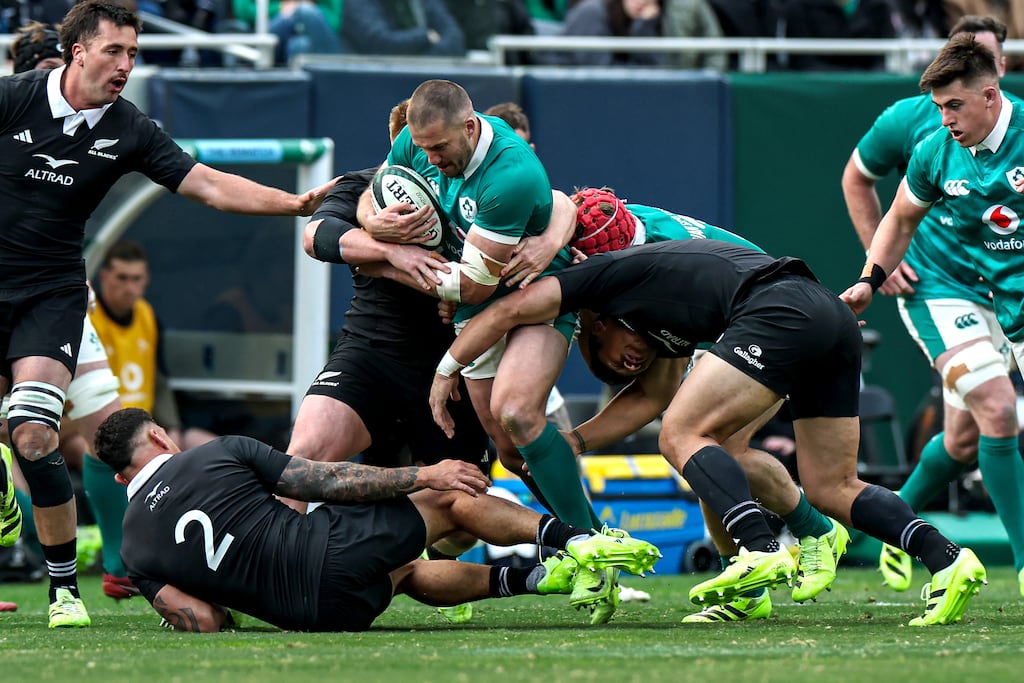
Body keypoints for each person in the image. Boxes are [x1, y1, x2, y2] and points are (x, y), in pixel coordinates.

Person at [435, 239, 989, 627]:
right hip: (827, 315)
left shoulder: (594, 282)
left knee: (680, 435)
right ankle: (948, 559)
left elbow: (507, 311)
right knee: (832, 486)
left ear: (593, 323)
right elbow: (650, 393)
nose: (630, 362)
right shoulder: (659, 311)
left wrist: (446, 371)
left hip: (779, 306)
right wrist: (575, 442)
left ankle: (757, 548)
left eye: (614, 353)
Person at [0, 0, 337, 628]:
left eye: (133, 53)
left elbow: (208, 185)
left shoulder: (128, 128)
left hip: (51, 296)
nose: (126, 65)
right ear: (77, 51)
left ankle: (66, 592)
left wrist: (294, 203)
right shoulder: (14, 98)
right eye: (114, 51)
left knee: (34, 434)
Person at [354, 80, 610, 619]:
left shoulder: (511, 175)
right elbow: (368, 198)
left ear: (470, 128)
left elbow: (474, 287)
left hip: (534, 297)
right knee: (512, 453)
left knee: (517, 413)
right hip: (476, 305)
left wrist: (385, 261)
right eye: (421, 149)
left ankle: (594, 551)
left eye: (439, 149)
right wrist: (372, 223)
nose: (429, 159)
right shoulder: (418, 142)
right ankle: (587, 538)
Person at [91, 407, 661, 632]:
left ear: (120, 479)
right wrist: (423, 475)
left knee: (406, 568)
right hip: (330, 554)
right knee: (444, 502)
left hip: (319, 617)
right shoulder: (217, 452)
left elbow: (204, 622)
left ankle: (538, 579)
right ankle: (577, 541)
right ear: (162, 437)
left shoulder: (135, 549)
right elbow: (327, 480)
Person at [841, 15, 1024, 597]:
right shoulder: (923, 137)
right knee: (999, 411)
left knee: (965, 440)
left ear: (995, 82)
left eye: (954, 107)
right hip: (940, 293)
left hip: (1009, 297)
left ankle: (894, 526)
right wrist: (874, 274)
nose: (946, 120)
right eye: (940, 107)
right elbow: (887, 209)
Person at [557, 0, 727, 69]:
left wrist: (644, 27)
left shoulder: (651, 21)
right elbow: (602, 74)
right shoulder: (592, 12)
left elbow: (655, 71)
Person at [231, 0, 343, 66]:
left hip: (309, 32)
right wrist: (281, 7)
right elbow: (243, 12)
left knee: (300, 45)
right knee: (304, 11)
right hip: (268, 33)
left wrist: (302, 8)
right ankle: (337, 84)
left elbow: (333, 22)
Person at [340, 0, 466, 57]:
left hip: (428, 84)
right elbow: (380, 43)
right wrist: (425, 37)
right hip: (374, 84)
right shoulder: (357, 3)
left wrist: (425, 56)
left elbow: (455, 37)